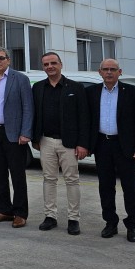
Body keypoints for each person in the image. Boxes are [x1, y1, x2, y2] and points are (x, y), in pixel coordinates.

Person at [86, 58, 135, 243]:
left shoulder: (132, 92)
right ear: (99, 72)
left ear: (119, 72)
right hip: (102, 145)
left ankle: (132, 225)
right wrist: (87, 145)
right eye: (105, 69)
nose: (109, 72)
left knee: (130, 188)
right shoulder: (91, 92)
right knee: (105, 187)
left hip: (125, 147)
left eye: (113, 69)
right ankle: (110, 223)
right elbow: (87, 120)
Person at [32, 52, 90, 235]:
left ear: (60, 64)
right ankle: (50, 216)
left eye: (53, 63)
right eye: (46, 64)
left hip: (69, 143)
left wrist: (83, 143)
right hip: (46, 141)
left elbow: (84, 117)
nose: (50, 67)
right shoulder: (38, 88)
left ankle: (73, 219)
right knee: (49, 179)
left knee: (72, 180)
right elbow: (34, 115)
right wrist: (35, 138)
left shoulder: (76, 87)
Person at [0, 48, 33, 228]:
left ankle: (20, 213)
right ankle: (4, 211)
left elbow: (28, 107)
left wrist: (25, 132)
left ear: (8, 60)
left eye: (1, 58)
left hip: (14, 134)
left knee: (17, 175)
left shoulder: (20, 79)